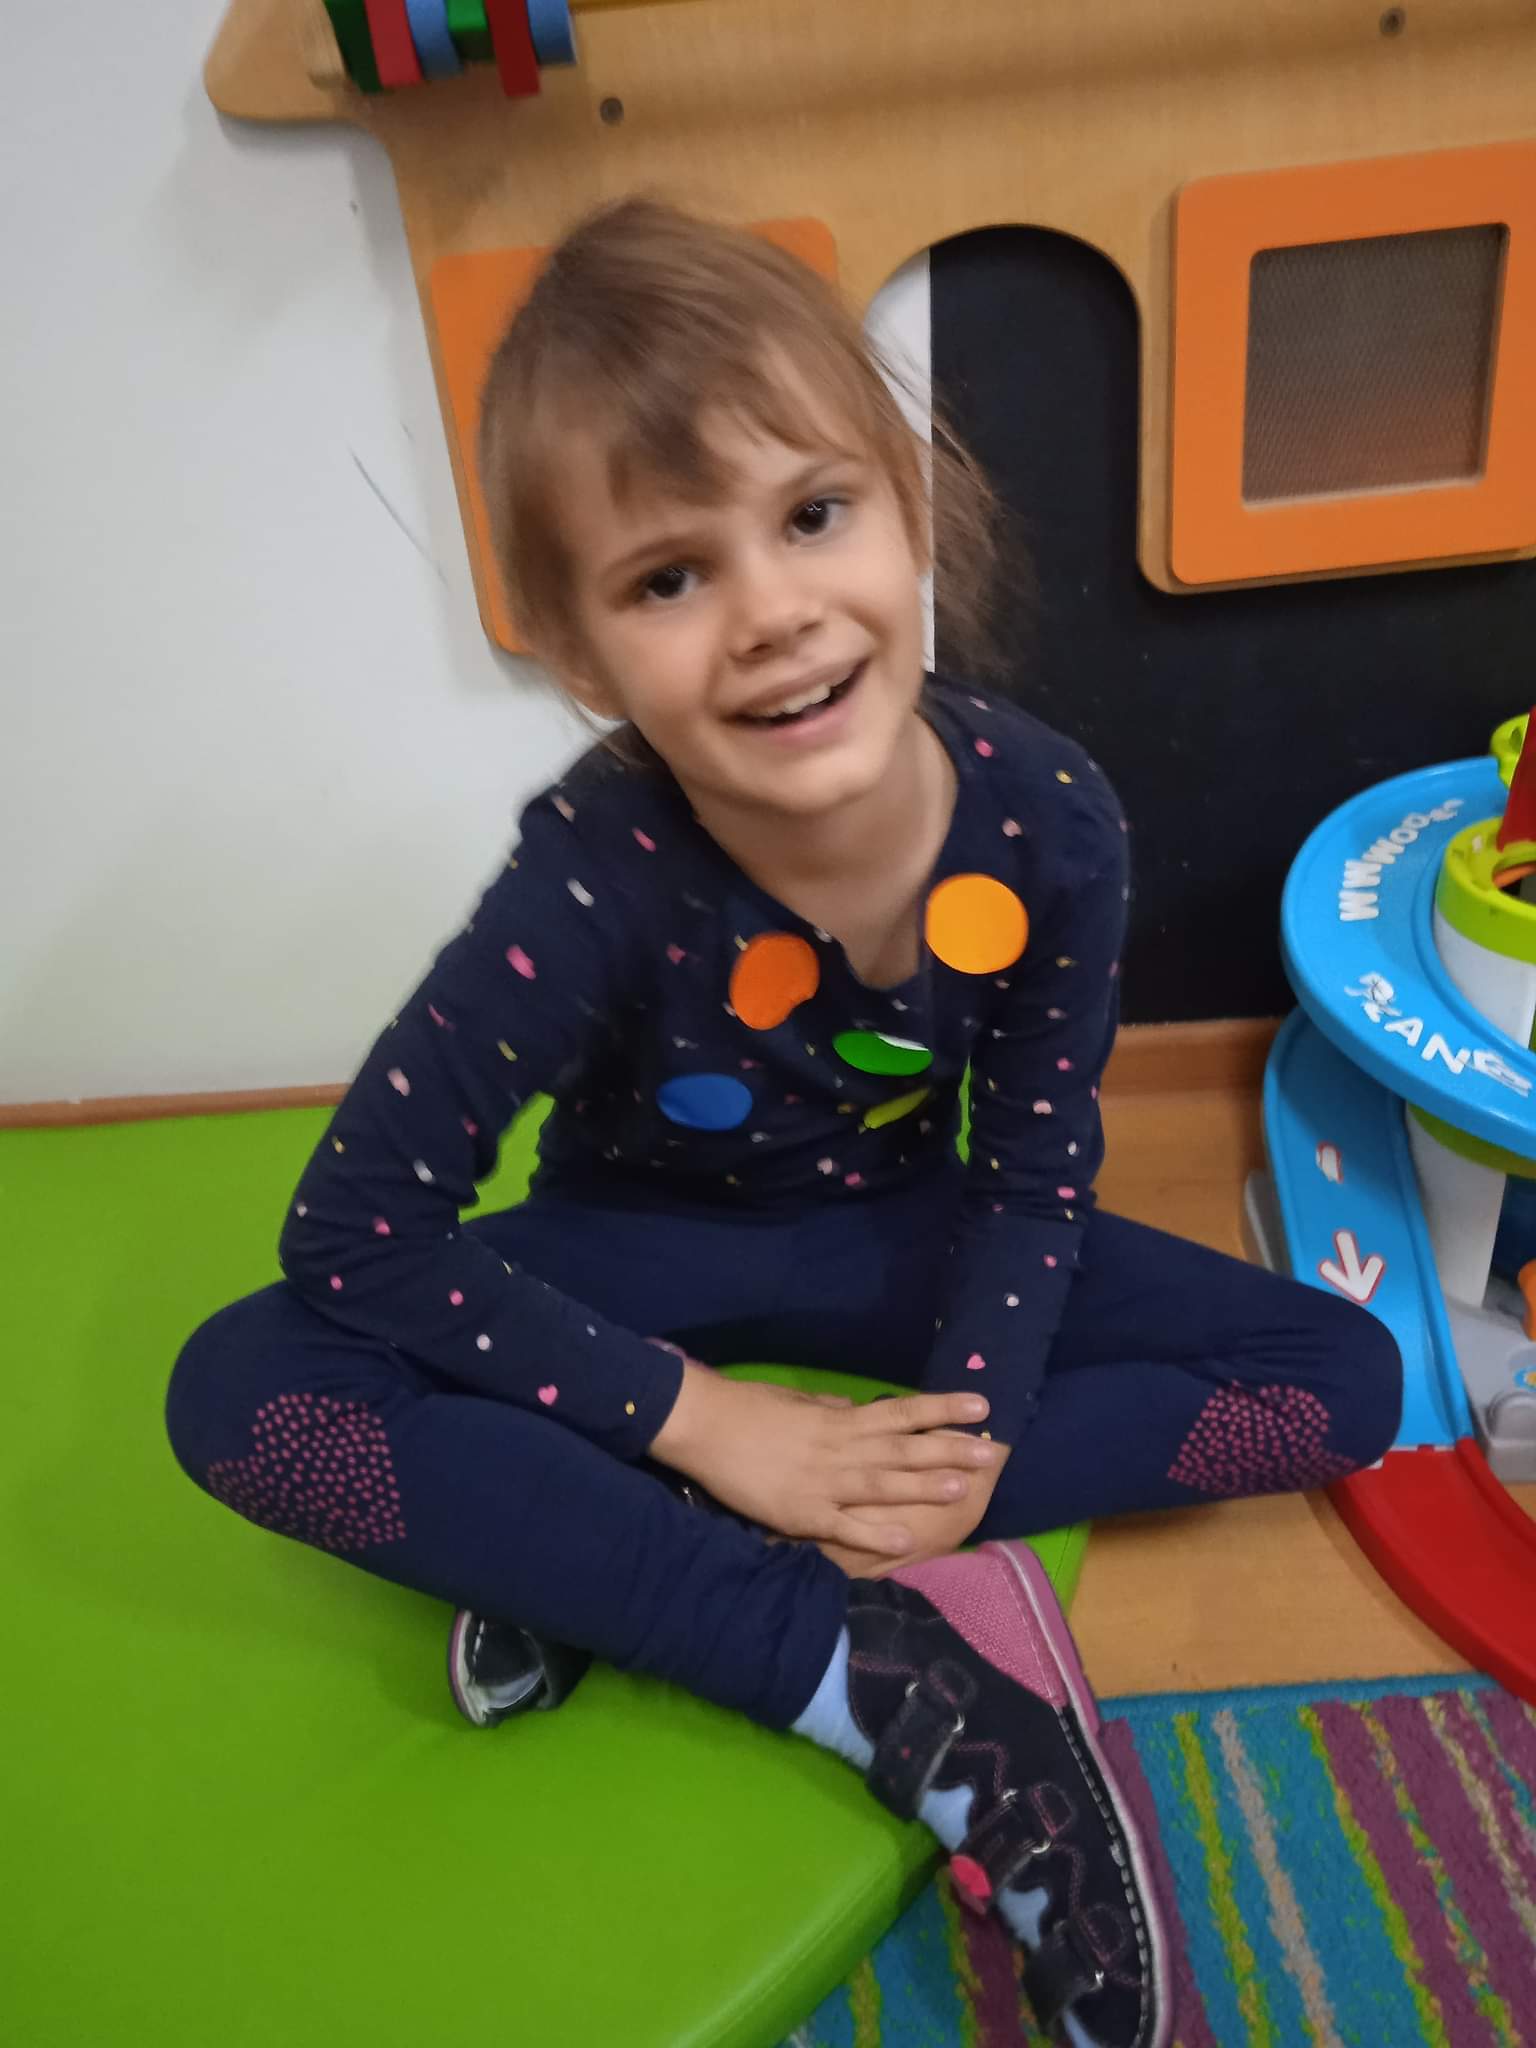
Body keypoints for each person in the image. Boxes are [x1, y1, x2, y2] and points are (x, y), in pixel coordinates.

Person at [166, 198, 1402, 2048]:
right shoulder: (591, 873)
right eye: (670, 578)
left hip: (904, 1241)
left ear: (911, 508)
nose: (770, 614)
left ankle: (591, 1546)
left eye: (814, 515)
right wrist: (704, 1420)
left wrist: (970, 1428)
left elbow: (1033, 1169)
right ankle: (860, 1669)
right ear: (582, 658)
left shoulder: (1053, 818)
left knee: (1342, 1380)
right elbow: (354, 1236)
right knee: (242, 1392)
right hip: (630, 1261)